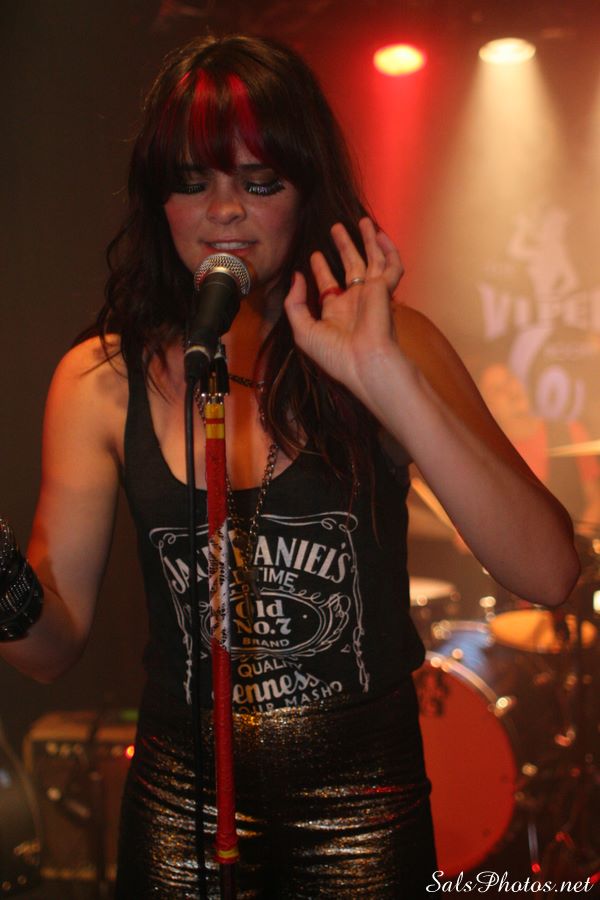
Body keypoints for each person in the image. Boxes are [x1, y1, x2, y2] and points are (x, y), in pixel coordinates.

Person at [0, 33, 580, 898]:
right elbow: (50, 650)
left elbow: (548, 571)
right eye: (191, 182)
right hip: (180, 813)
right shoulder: (100, 380)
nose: (223, 212)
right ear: (158, 200)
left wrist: (382, 375)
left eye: (259, 182)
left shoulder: (394, 344)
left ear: (307, 192)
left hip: (363, 811)